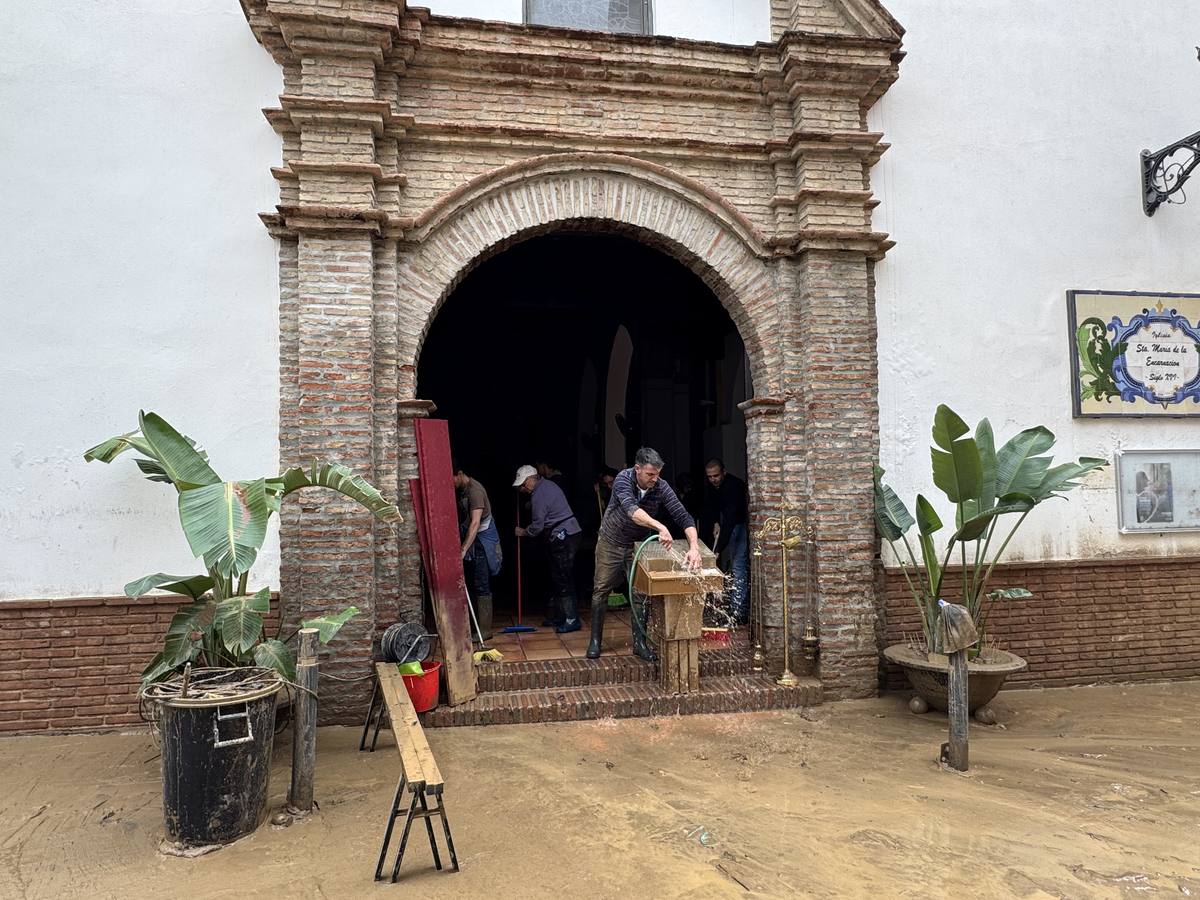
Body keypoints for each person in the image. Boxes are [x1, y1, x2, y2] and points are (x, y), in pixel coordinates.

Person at [589, 447, 702, 661]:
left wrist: (694, 547)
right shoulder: (623, 479)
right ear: (637, 469)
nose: (654, 479)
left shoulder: (660, 486)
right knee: (601, 589)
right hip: (610, 542)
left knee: (640, 593)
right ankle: (595, 641)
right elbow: (632, 511)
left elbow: (682, 515)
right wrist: (660, 527)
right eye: (650, 474)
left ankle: (639, 643)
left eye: (657, 474)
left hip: (637, 545)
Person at [513, 464, 583, 633]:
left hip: (564, 536)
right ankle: (561, 617)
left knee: (563, 577)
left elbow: (537, 527)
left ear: (531, 480)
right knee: (558, 576)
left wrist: (523, 532)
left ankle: (572, 619)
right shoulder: (547, 485)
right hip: (567, 533)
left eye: (523, 484)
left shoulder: (539, 494)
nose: (522, 488)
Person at [453, 463, 502, 639]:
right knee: (475, 581)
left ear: (460, 473)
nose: (450, 483)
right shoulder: (463, 491)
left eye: (452, 479)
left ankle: (485, 631)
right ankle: (476, 626)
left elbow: (475, 523)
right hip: (475, 539)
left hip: (483, 541)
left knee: (482, 583)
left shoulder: (475, 491)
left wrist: (464, 548)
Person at [703, 458, 749, 625]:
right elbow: (712, 505)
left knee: (738, 565)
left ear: (724, 472)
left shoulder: (733, 487)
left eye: (716, 475)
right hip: (726, 523)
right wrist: (715, 521)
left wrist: (718, 549)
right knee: (733, 565)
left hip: (739, 524)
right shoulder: (712, 486)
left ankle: (739, 612)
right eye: (709, 476)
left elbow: (730, 519)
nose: (713, 479)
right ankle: (732, 608)